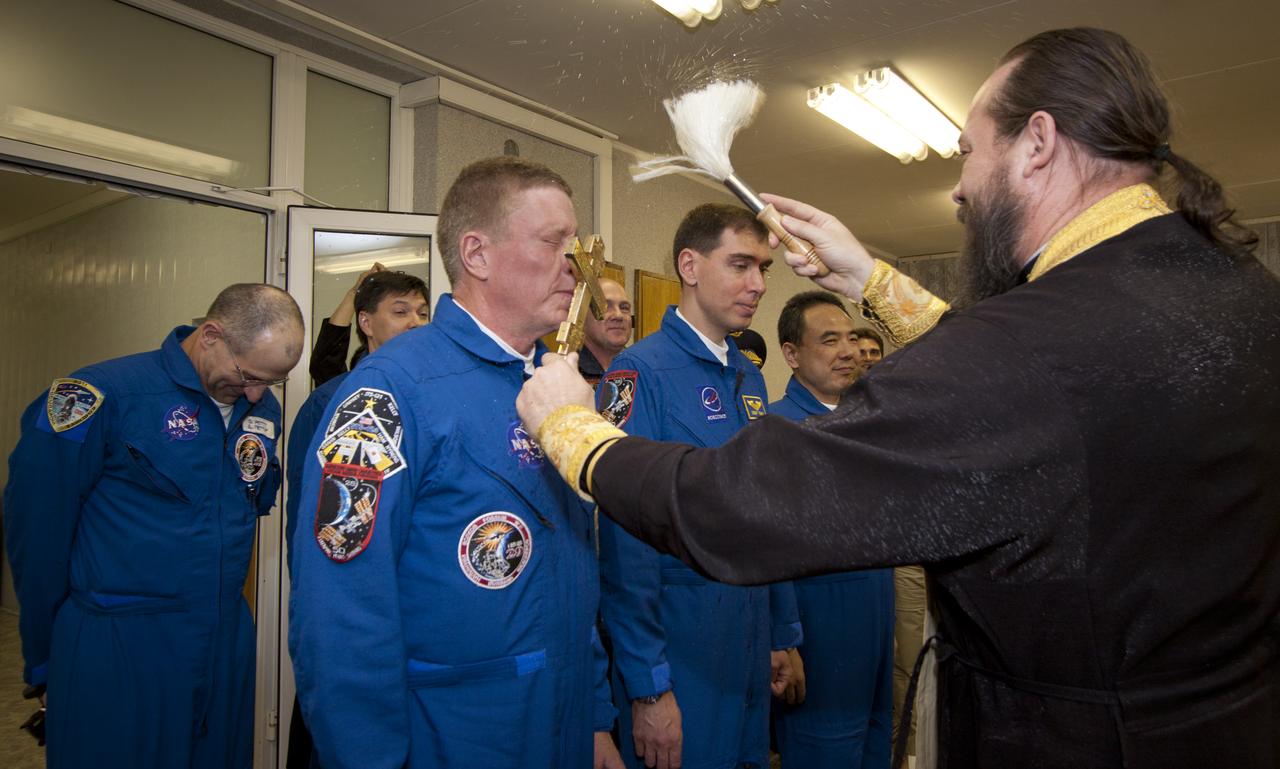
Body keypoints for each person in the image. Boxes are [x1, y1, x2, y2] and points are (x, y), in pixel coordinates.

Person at [518, 27, 1280, 768]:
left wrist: (571, 429)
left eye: (968, 152)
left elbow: (741, 501)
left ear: (1038, 143)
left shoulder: (1030, 350)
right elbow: (1048, 390)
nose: (960, 185)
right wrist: (869, 280)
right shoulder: (1244, 293)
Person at [289, 156, 621, 769]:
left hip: (562, 723)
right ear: (477, 254)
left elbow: (574, 561)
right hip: (453, 736)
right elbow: (342, 615)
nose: (574, 267)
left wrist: (596, 718)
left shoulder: (558, 386)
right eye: (554, 244)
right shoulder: (389, 395)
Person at [4, 283, 303, 769]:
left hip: (223, 638)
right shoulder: (100, 397)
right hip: (121, 638)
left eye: (273, 381)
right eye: (247, 374)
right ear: (210, 336)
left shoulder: (260, 412)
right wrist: (44, 654)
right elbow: (36, 535)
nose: (255, 393)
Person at [594, 203, 801, 769]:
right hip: (680, 647)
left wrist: (782, 630)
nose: (758, 284)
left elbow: (767, 511)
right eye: (740, 265)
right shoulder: (637, 375)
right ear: (689, 264)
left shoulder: (748, 374)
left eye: (763, 268)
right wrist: (649, 685)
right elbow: (623, 543)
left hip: (749, 633)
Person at [283, 269, 429, 769]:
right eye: (401, 311)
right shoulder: (338, 400)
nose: (416, 323)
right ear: (367, 322)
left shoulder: (430, 395)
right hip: (352, 619)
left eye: (423, 312)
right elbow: (316, 530)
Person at [771, 291, 893, 769]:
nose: (847, 351)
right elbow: (768, 550)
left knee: (874, 748)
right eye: (828, 340)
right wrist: (784, 639)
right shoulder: (779, 432)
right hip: (819, 632)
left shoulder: (867, 424)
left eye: (849, 338)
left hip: (875, 626)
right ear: (792, 354)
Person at [308, 262, 385, 386]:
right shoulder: (347, 394)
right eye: (400, 312)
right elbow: (326, 363)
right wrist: (355, 293)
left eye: (422, 314)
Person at [578, 276, 633, 386]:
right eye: (605, 306)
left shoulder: (644, 368)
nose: (618, 315)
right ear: (582, 315)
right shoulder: (565, 373)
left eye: (624, 308)